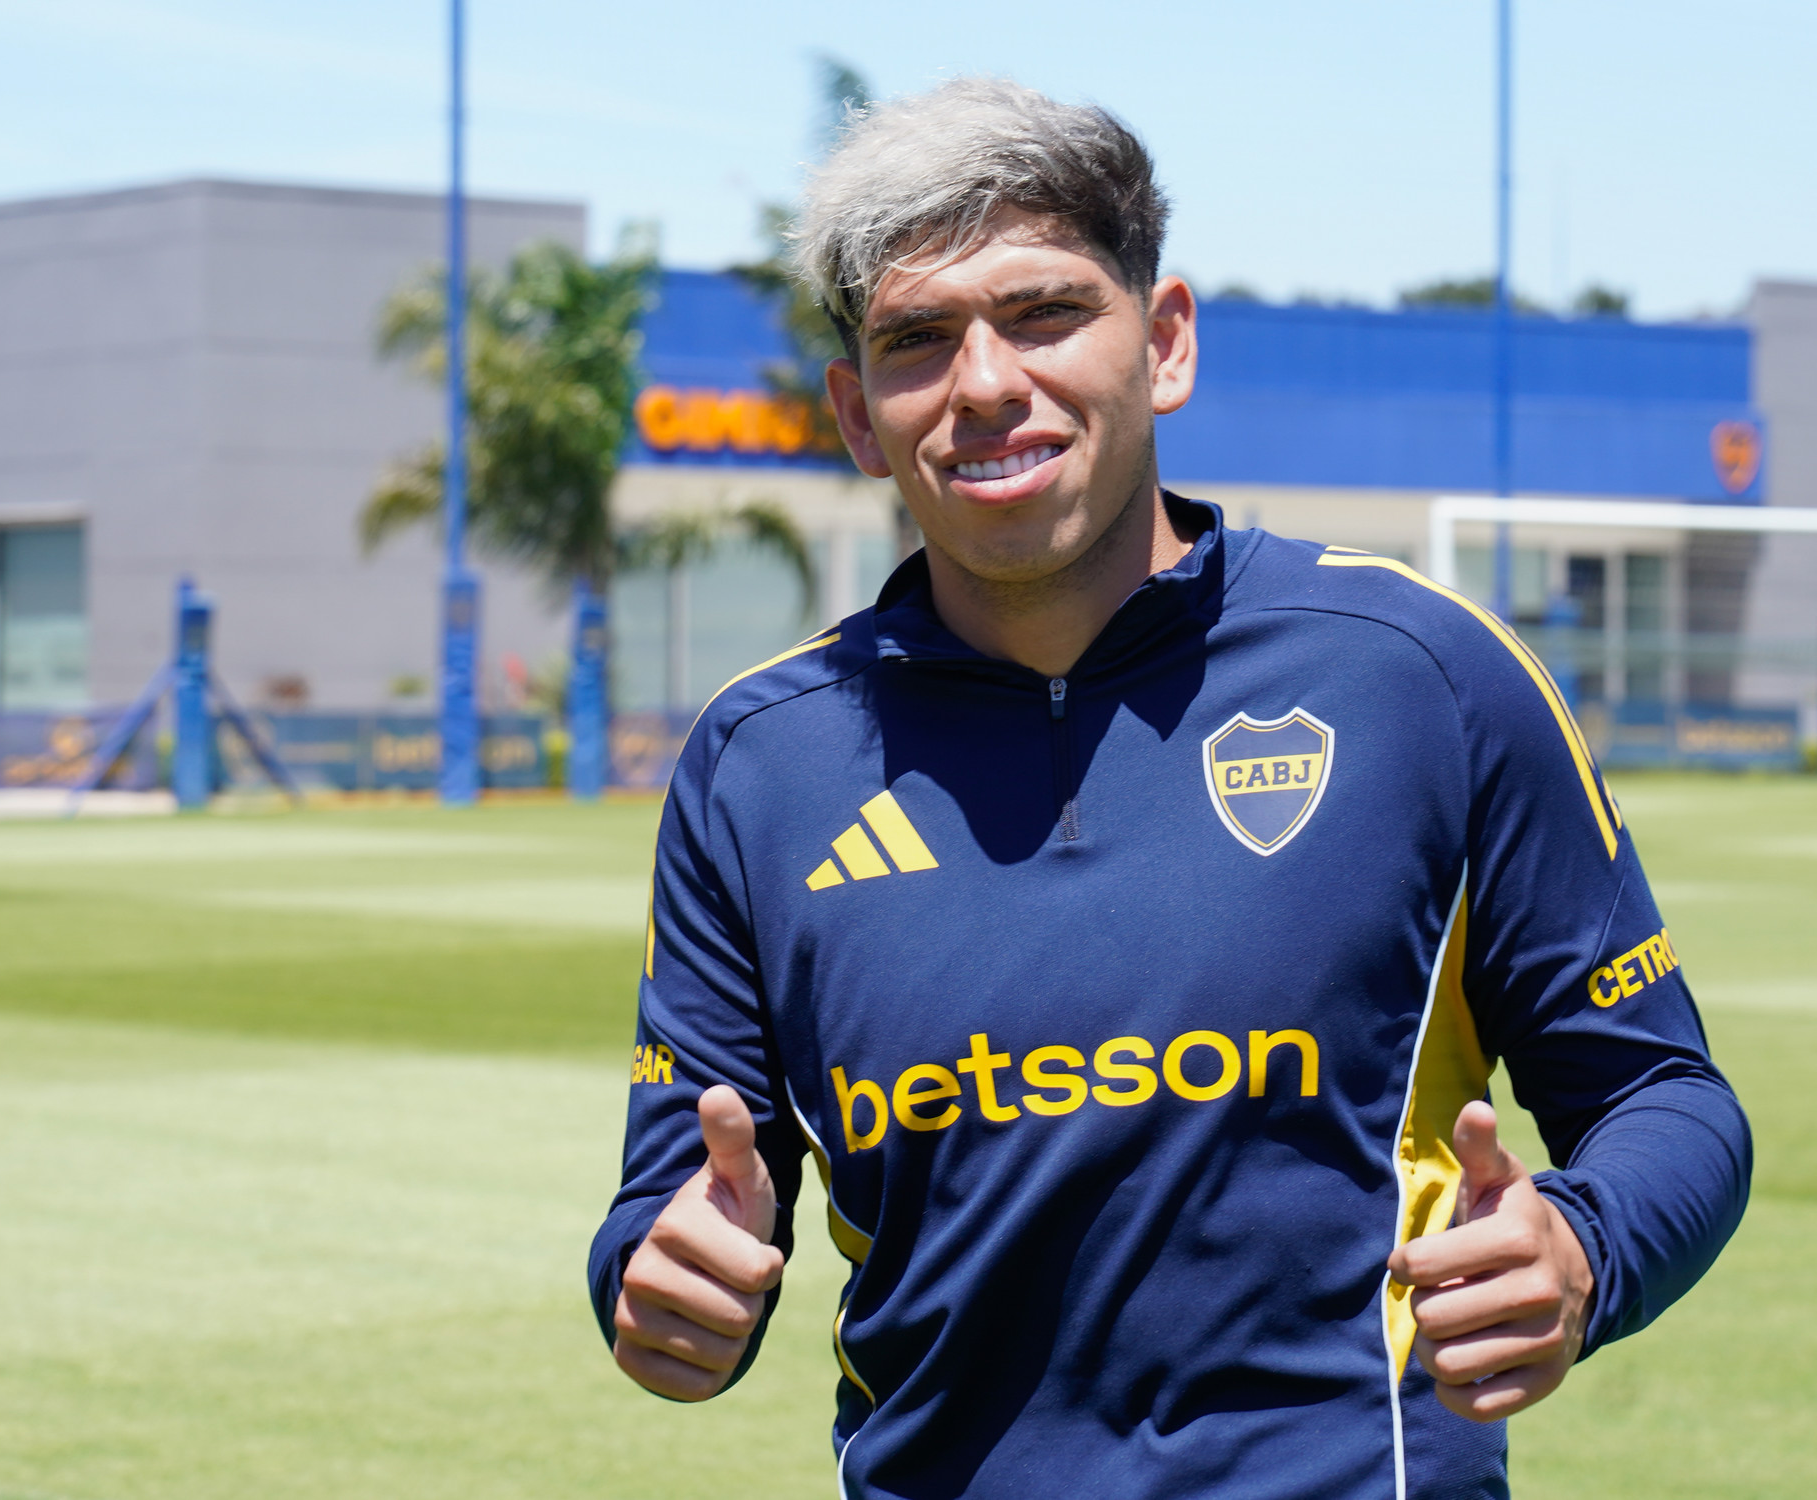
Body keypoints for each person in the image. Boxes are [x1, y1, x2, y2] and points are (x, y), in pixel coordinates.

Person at [587, 77, 1750, 1499]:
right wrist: (661, 1285)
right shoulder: (758, 762)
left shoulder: (1423, 678)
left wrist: (1583, 1243)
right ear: (858, 414)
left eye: (1044, 312)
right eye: (917, 338)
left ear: (1166, 342)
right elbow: (669, 1211)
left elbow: (1667, 1098)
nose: (985, 381)